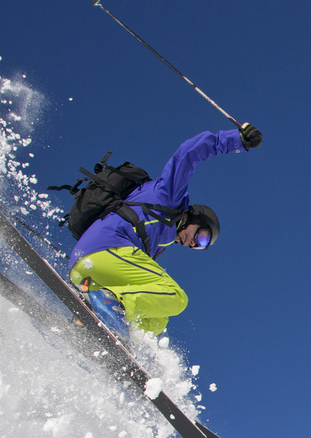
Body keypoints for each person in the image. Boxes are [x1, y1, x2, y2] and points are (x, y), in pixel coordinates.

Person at [68, 123, 263, 337]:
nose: (194, 244)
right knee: (175, 296)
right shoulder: (170, 199)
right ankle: (109, 305)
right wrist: (237, 140)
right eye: (203, 237)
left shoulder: (161, 240)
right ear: (196, 217)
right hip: (104, 250)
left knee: (159, 319)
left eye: (201, 246)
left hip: (85, 272)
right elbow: (188, 154)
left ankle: (114, 332)